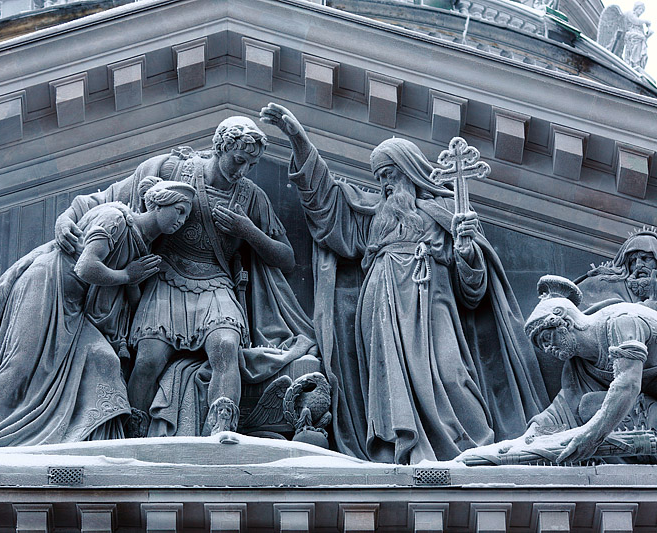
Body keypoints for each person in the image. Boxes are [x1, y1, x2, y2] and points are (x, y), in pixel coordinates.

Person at [260, 102, 548, 463]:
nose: (384, 184)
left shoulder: (443, 215)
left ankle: (471, 445)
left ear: (410, 171)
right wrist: (299, 140)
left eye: (390, 175)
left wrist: (467, 250)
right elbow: (327, 205)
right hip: (382, 303)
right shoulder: (372, 215)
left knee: (452, 370)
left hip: (432, 302)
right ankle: (399, 446)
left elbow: (473, 292)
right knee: (389, 377)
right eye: (379, 177)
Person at [54, 116, 317, 437]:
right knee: (148, 361)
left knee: (226, 347)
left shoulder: (250, 197)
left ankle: (222, 428)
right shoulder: (170, 171)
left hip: (217, 287)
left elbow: (286, 258)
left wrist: (247, 231)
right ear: (220, 147)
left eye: (251, 164)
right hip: (166, 281)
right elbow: (106, 200)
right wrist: (67, 217)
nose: (242, 170)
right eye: (238, 160)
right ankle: (134, 433)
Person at [0, 179, 194, 446]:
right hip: (47, 284)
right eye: (179, 210)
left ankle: (85, 446)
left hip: (76, 308)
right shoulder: (116, 219)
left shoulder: (142, 246)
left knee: (105, 360)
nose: (182, 220)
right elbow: (86, 267)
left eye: (186, 215)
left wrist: (133, 281)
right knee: (20, 364)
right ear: (159, 203)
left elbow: (129, 295)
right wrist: (127, 275)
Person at [524, 275, 657, 463]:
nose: (548, 349)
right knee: (589, 405)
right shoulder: (581, 367)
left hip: (650, 414)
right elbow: (563, 414)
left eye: (547, 339)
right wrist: (534, 434)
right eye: (541, 346)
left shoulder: (621, 321)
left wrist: (592, 436)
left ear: (566, 323)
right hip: (647, 416)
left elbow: (627, 384)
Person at [577, 227, 657, 310]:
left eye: (645, 258)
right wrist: (650, 305)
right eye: (632, 261)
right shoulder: (607, 282)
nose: (638, 265)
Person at [623, 1, 652, 70]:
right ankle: (632, 62)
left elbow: (643, 35)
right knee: (636, 44)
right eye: (640, 9)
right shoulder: (630, 13)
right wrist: (646, 21)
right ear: (636, 8)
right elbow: (635, 21)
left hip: (639, 38)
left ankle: (637, 63)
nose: (641, 11)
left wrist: (648, 34)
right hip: (631, 35)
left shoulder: (641, 23)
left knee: (641, 46)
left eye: (642, 10)